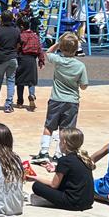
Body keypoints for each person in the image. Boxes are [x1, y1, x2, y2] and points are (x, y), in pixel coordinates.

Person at [32, 32, 88, 163]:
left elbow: (48, 53)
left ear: (62, 48)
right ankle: (59, 153)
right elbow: (84, 85)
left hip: (56, 99)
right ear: (76, 49)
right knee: (66, 129)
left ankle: (44, 152)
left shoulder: (58, 60)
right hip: (72, 101)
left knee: (49, 126)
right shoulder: (80, 66)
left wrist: (58, 43)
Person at [28, 128, 95, 211]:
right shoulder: (84, 158)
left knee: (37, 186)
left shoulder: (64, 160)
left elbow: (54, 185)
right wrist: (56, 169)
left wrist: (35, 177)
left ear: (64, 143)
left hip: (73, 202)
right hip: (88, 202)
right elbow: (74, 171)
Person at [0, 10, 21, 113]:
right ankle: (8, 104)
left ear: (2, 19)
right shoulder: (16, 30)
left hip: (1, 58)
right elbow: (18, 45)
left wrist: (0, 51)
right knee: (11, 80)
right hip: (13, 57)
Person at [15, 16, 45, 111]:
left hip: (22, 58)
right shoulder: (35, 36)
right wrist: (41, 60)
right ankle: (32, 94)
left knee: (20, 81)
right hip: (32, 60)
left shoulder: (21, 36)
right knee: (31, 81)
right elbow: (40, 49)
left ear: (22, 27)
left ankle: (20, 102)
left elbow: (17, 47)